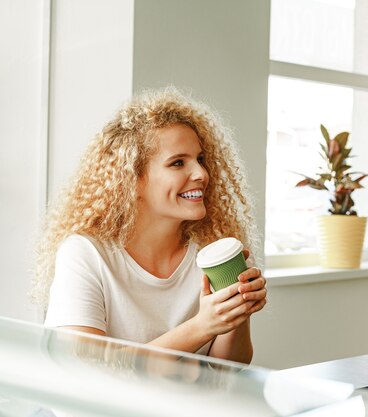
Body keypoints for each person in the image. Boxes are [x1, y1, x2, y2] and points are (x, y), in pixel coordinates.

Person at [32, 87, 267, 363]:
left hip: (182, 405)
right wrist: (202, 326)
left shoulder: (210, 252)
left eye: (200, 159)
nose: (201, 174)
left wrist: (236, 313)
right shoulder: (86, 254)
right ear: (132, 180)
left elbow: (228, 369)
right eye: (178, 163)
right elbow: (86, 369)